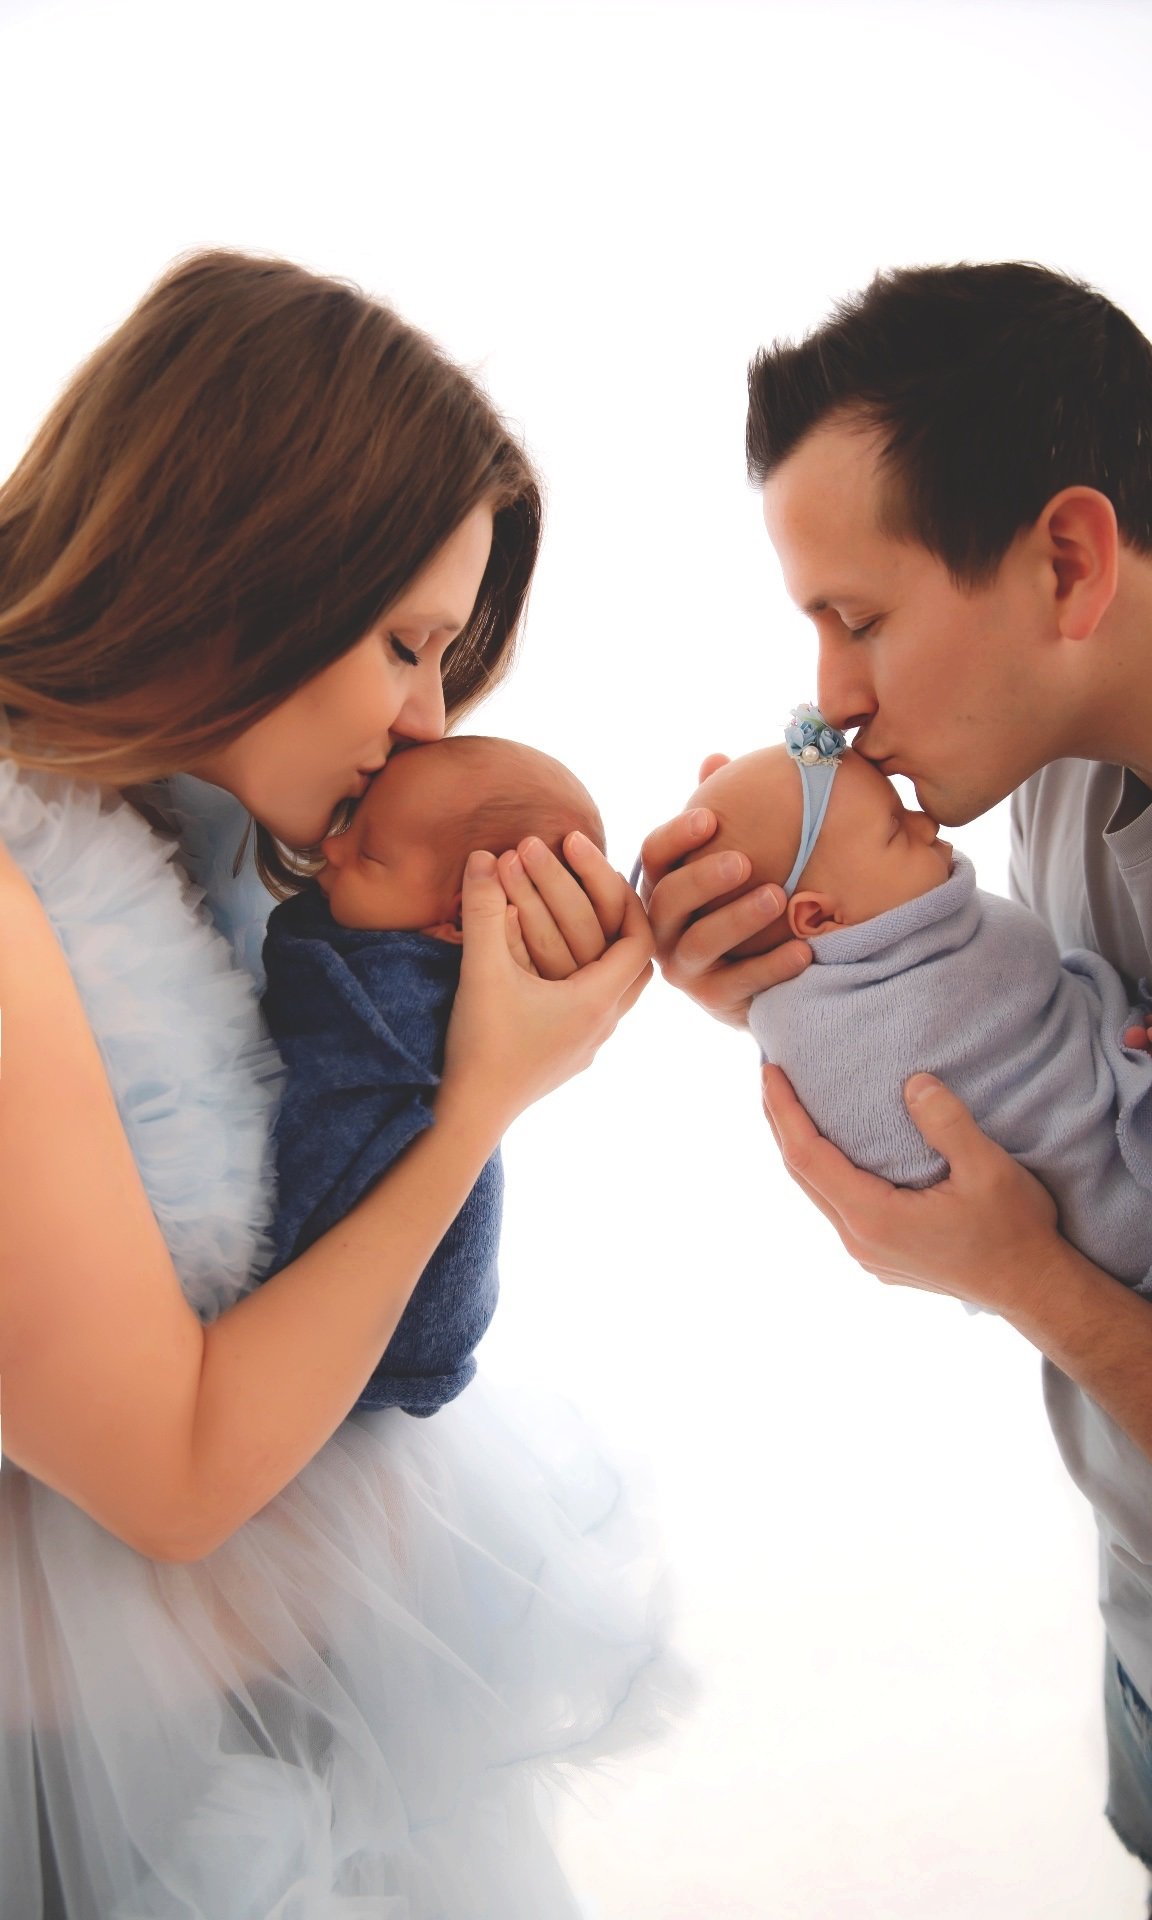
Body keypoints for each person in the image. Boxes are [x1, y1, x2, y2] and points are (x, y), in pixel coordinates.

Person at [0, 249, 670, 1919]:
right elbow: (174, 1480)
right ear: (240, 568)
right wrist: (476, 1115)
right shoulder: (20, 902)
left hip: (216, 1748)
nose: (429, 716)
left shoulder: (195, 853)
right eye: (405, 643)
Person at [640, 263, 1152, 1920]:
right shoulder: (1066, 731)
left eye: (859, 619)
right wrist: (815, 992)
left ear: (1069, 557)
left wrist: (1024, 1283)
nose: (831, 698)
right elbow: (1054, 1049)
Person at [679, 710, 1152, 1296]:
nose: (926, 823)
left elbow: (1026, 1013)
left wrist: (1103, 1034)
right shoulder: (841, 1023)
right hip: (1095, 1214)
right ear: (819, 917)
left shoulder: (932, 933)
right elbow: (893, 1130)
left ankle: (1138, 1077)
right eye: (896, 827)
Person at [259, 734, 607, 1419]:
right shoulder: (375, 943)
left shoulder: (395, 1014)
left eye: (368, 853)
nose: (331, 849)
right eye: (348, 823)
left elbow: (313, 1150)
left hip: (382, 1337)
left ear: (456, 918)